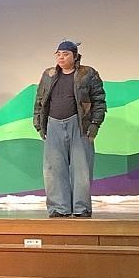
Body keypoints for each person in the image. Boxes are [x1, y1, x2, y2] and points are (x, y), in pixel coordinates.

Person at [34, 40, 106, 218]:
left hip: (79, 125)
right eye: (58, 54)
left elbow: (98, 100)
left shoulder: (87, 74)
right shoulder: (48, 75)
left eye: (65, 54)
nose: (61, 57)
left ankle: (81, 208)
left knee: (81, 169)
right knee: (53, 169)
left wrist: (95, 124)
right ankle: (59, 208)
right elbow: (40, 101)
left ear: (75, 56)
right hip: (53, 124)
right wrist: (39, 124)